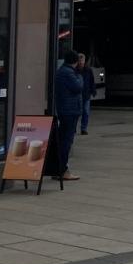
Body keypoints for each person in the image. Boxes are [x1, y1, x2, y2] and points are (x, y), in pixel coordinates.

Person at [54, 49, 82, 180]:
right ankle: (63, 170)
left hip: (64, 110)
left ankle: (57, 169)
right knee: (66, 141)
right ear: (75, 61)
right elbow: (78, 87)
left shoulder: (62, 71)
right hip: (70, 111)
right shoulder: (69, 73)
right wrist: (79, 76)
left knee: (62, 140)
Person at [78, 53, 96, 135]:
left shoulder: (88, 70)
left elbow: (92, 81)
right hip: (78, 95)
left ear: (84, 61)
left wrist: (93, 90)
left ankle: (83, 128)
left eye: (82, 61)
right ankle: (74, 128)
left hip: (86, 94)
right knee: (77, 112)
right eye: (79, 61)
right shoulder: (75, 70)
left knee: (86, 112)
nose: (81, 62)